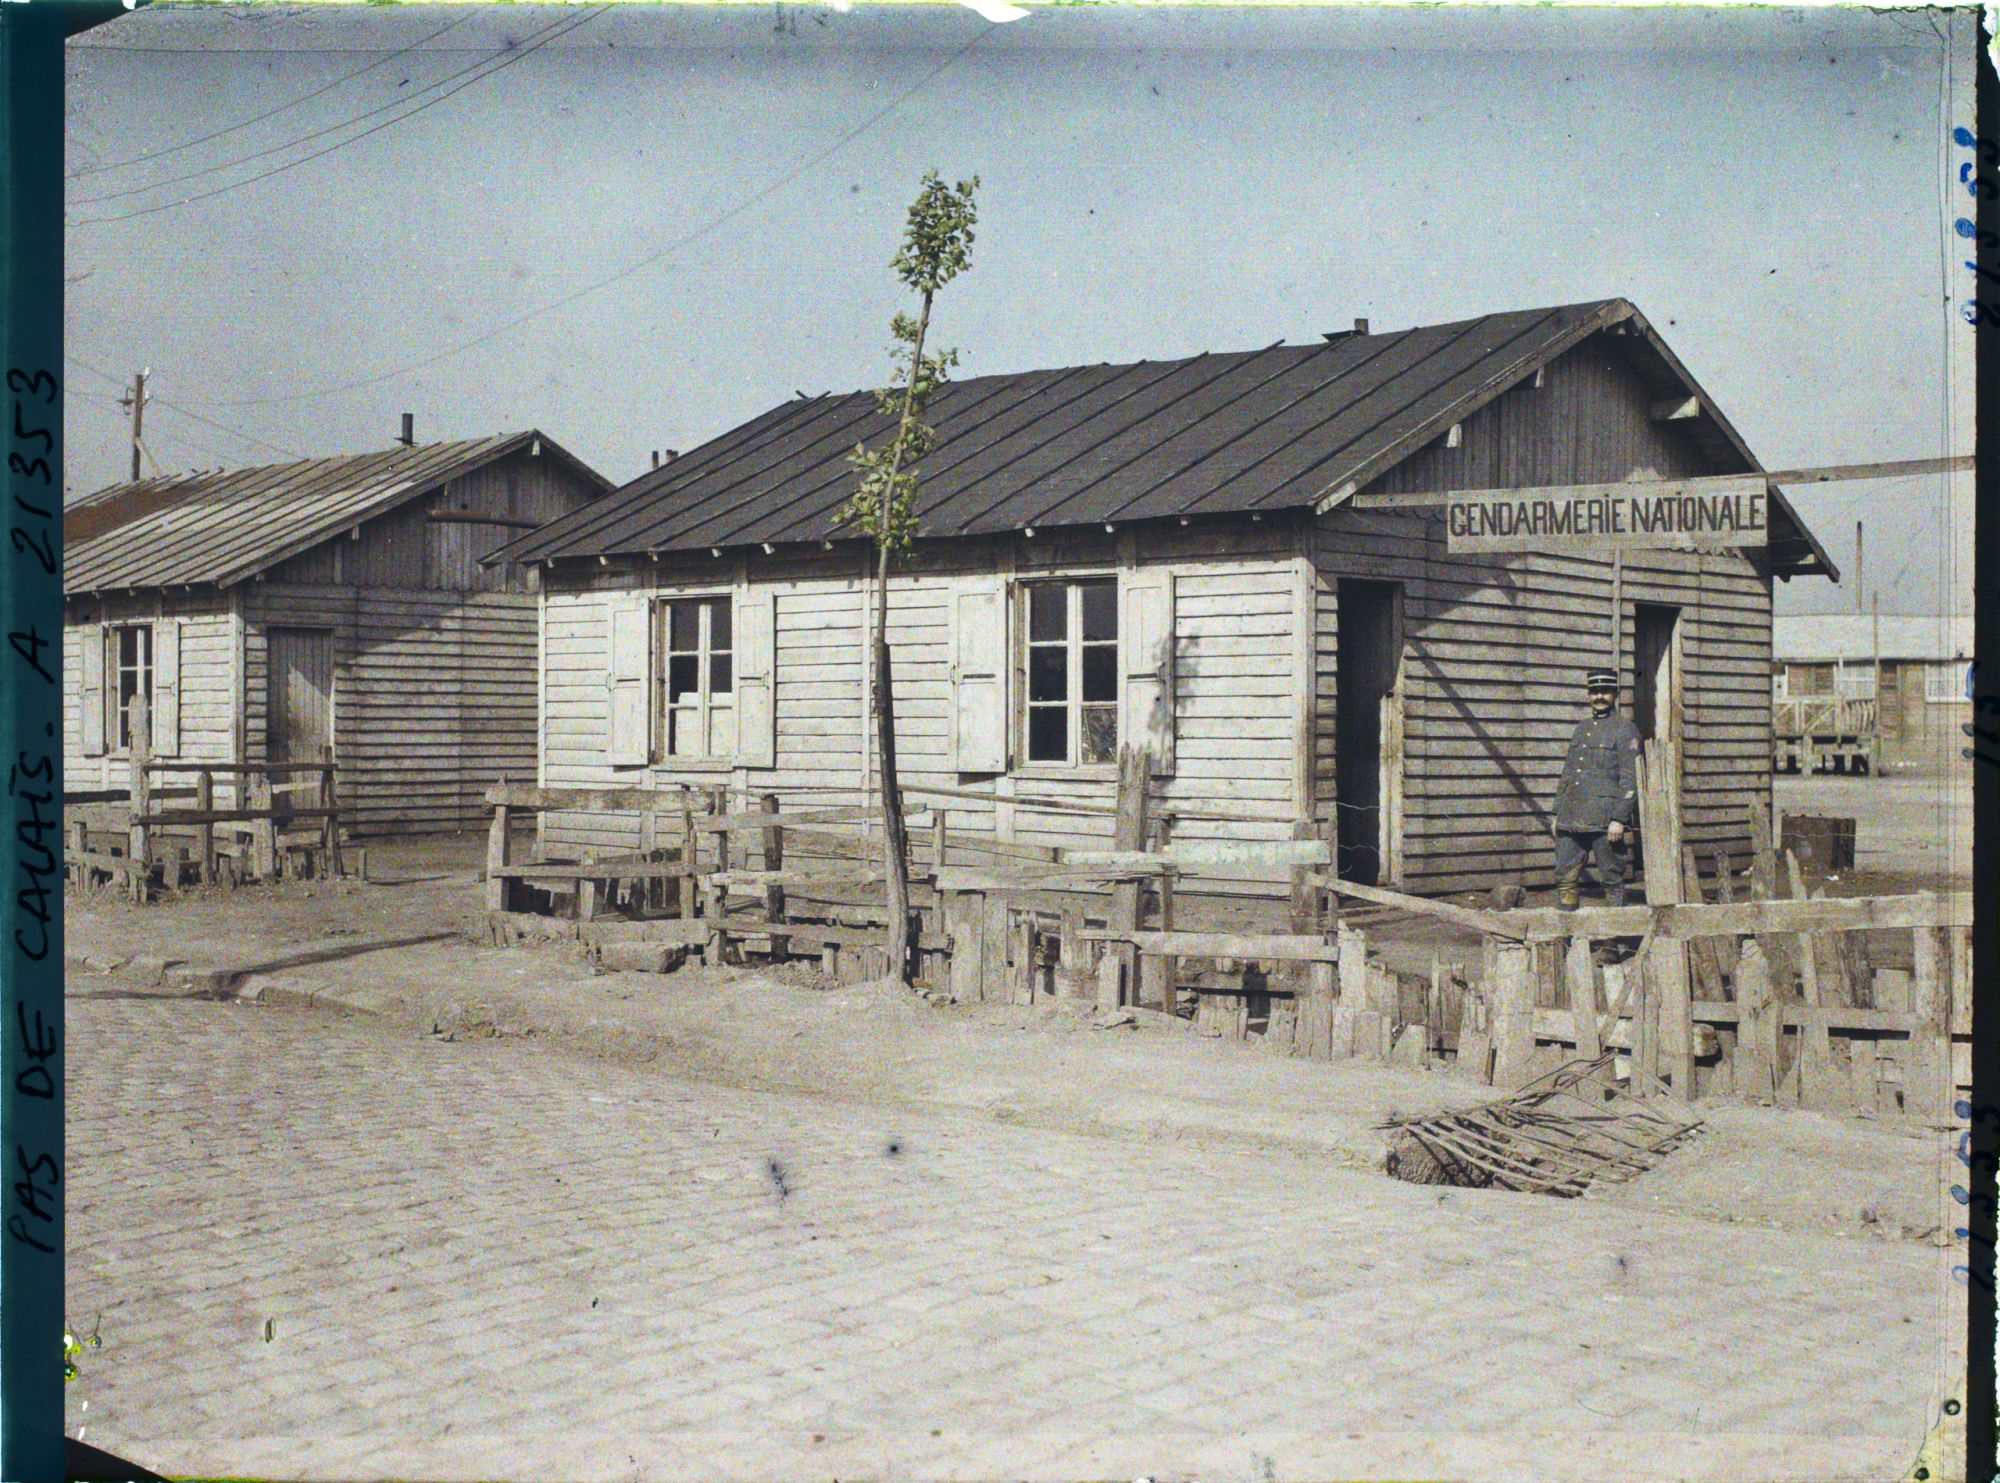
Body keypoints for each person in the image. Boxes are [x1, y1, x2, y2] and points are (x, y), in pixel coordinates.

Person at [1551, 668, 1640, 909]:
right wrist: (1558, 813)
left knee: (1612, 880)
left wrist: (1619, 818)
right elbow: (1568, 772)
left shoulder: (1625, 729)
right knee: (1565, 879)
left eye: (1605, 692)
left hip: (1605, 819)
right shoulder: (1582, 728)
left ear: (1615, 694)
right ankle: (1567, 937)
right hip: (1572, 817)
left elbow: (1630, 778)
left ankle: (1614, 943)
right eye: (1594, 692)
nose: (1599, 697)